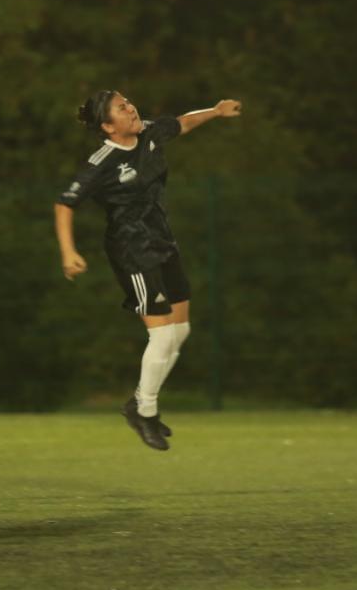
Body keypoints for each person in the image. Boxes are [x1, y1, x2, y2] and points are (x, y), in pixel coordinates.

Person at [54, 90, 242, 451]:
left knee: (181, 330)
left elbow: (183, 121)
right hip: (132, 252)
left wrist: (216, 112)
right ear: (108, 126)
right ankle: (145, 411)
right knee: (162, 336)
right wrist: (68, 251)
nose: (131, 108)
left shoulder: (150, 134)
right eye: (121, 108)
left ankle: (138, 401)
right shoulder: (102, 161)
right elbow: (65, 204)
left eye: (129, 103)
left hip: (163, 243)